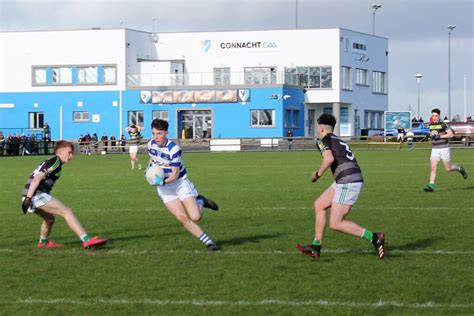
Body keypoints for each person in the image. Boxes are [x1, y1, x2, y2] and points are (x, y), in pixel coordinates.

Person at [296, 114, 385, 259]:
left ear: (320, 127)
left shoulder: (323, 141)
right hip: (345, 179)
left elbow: (329, 158)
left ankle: (375, 237)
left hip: (347, 181)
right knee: (319, 205)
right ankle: (316, 246)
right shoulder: (337, 139)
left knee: (336, 223)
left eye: (317, 127)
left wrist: (317, 174)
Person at [147, 119, 220, 251]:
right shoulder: (151, 144)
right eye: (154, 133)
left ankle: (201, 201)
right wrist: (150, 171)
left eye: (159, 133)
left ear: (166, 133)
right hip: (165, 189)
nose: (156, 137)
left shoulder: (174, 149)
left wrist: (162, 182)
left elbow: (175, 174)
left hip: (179, 183)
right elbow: (152, 159)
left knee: (195, 217)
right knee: (181, 217)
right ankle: (209, 243)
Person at [21, 141, 107, 249]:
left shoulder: (52, 162)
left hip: (30, 194)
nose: (71, 156)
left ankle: (43, 243)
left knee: (50, 219)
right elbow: (37, 178)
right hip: (35, 195)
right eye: (69, 153)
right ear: (60, 152)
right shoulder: (56, 162)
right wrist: (28, 199)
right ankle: (86, 240)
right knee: (67, 211)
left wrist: (27, 198)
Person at [423, 108, 468, 192]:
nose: (434, 117)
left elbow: (450, 134)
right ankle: (431, 185)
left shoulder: (443, 124)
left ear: (439, 116)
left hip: (444, 148)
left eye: (436, 116)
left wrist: (440, 136)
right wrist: (429, 136)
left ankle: (459, 169)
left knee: (448, 168)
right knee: (433, 168)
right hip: (435, 149)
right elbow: (433, 134)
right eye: (433, 116)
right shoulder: (431, 125)